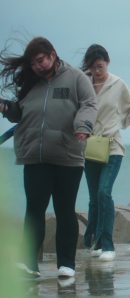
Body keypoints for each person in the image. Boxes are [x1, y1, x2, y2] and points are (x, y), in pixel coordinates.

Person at [0, 37, 98, 278]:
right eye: (33, 63)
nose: (38, 66)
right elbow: (20, 114)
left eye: (41, 60)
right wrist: (5, 107)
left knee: (64, 209)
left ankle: (67, 264)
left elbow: (89, 104)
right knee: (34, 209)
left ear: (53, 55)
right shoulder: (32, 83)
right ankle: (29, 264)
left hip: (68, 155)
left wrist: (83, 125)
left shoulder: (76, 78)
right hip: (35, 156)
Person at [80, 44, 130, 261]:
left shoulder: (118, 84)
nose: (97, 71)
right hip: (89, 148)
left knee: (103, 193)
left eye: (100, 66)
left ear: (107, 62)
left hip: (113, 147)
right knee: (93, 199)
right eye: (93, 67)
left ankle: (108, 245)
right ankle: (93, 242)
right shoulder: (82, 83)